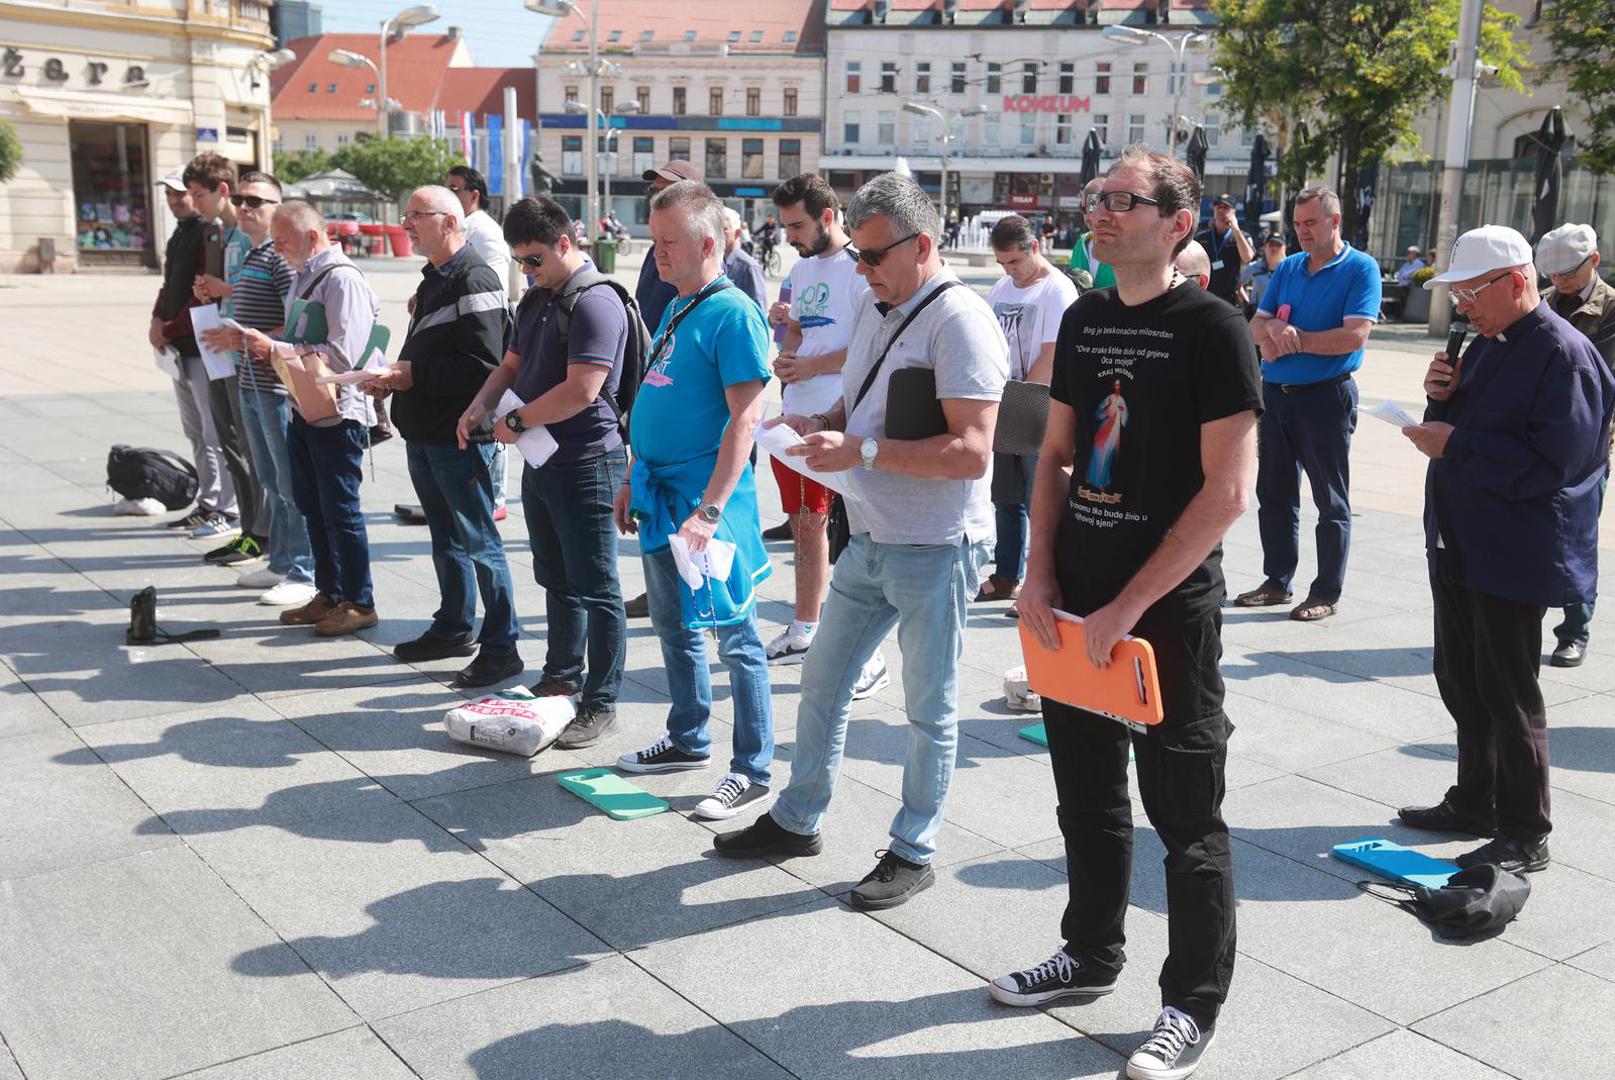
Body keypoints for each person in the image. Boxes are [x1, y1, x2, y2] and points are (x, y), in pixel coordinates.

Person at [994, 146, 1260, 1080]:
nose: (1099, 213)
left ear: (1176, 224)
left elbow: (1227, 495)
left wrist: (1132, 605)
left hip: (1166, 613)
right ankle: (1089, 951)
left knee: (1186, 816)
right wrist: (1036, 575)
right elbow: (1056, 458)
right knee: (1086, 797)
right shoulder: (1085, 318)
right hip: (1072, 603)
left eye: (1122, 201)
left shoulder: (1212, 328)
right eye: (1094, 199)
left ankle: (1190, 1003)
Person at [715, 172, 1009, 913]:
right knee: (822, 681)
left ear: (924, 245)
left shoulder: (960, 322)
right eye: (859, 255)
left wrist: (864, 453)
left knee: (928, 709)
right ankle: (797, 817)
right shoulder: (881, 304)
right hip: (871, 532)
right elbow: (867, 398)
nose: (862, 269)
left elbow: (974, 451)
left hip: (936, 543)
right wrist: (822, 427)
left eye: (874, 256)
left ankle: (913, 848)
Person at [1397, 224, 1613, 874]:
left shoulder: (1563, 353)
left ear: (1514, 281)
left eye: (1469, 292)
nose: (1461, 305)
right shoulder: (1491, 340)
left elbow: (1558, 462)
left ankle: (1524, 830)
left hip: (1514, 548)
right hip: (1464, 535)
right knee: (1461, 678)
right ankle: (1474, 799)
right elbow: (1479, 423)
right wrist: (1443, 396)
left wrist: (1455, 443)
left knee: (1508, 691)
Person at [613, 179, 778, 823]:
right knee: (674, 626)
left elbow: (745, 420)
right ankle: (688, 738)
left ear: (708, 244)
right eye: (654, 241)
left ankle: (753, 769)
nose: (657, 254)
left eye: (669, 243)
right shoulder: (679, 305)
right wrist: (631, 476)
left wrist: (709, 510)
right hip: (658, 493)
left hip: (705, 504)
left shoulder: (733, 312)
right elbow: (651, 400)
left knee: (736, 637)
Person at [458, 196, 632, 749]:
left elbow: (583, 390)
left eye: (534, 259)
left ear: (565, 242)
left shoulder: (595, 302)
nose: (527, 271)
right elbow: (510, 365)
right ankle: (561, 677)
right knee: (555, 577)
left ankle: (600, 701)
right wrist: (480, 406)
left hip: (587, 461)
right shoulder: (538, 297)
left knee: (597, 586)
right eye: (519, 262)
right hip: (541, 456)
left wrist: (513, 418)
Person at [367, 187, 519, 688]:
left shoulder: (474, 275)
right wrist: (394, 378)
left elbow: (487, 367)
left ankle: (502, 646)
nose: (406, 224)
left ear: (450, 221)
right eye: (405, 214)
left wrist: (413, 375)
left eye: (417, 216)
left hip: (459, 435)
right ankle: (454, 625)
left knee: (479, 541)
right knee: (445, 538)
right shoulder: (436, 275)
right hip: (427, 432)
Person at [762, 173, 888, 699]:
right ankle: (805, 626)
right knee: (804, 527)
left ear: (828, 217)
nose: (790, 235)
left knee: (850, 537)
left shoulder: (860, 267)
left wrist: (810, 366)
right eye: (786, 226)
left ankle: (868, 653)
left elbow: (867, 344)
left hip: (841, 422)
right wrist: (787, 337)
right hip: (795, 417)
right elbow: (802, 330)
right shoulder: (802, 265)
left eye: (798, 225)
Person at [233, 201, 382, 637]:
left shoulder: (341, 278)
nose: (276, 249)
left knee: (341, 510)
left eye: (282, 241)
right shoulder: (304, 275)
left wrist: (275, 349)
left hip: (338, 412)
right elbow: (302, 339)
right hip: (306, 406)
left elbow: (346, 356)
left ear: (312, 237)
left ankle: (360, 600)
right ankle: (330, 593)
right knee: (312, 505)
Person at [1236, 186, 1381, 622]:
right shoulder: (1291, 266)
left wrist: (1293, 340)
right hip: (1277, 396)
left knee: (1330, 499)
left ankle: (1326, 591)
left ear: (1335, 222)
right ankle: (1277, 581)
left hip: (1326, 397)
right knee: (1274, 493)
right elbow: (1258, 325)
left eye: (1310, 224)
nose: (1301, 232)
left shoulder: (1361, 268)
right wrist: (1273, 335)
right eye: (1298, 224)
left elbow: (1355, 335)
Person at [193, 171, 316, 608]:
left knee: (289, 480)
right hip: (251, 381)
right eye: (242, 200)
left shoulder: (282, 259)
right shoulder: (256, 253)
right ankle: (282, 560)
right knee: (270, 479)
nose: (245, 208)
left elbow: (299, 324)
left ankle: (304, 569)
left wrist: (243, 339)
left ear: (278, 209)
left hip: (276, 386)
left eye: (256, 202)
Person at [981, 214, 1077, 602]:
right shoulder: (1003, 286)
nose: (1008, 270)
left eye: (1014, 262)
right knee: (1004, 495)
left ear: (1034, 247)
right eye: (1002, 263)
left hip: (1036, 402)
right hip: (1004, 399)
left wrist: (1014, 401)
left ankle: (1044, 583)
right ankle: (1007, 574)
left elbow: (1052, 355)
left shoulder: (1057, 290)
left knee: (1040, 499)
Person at [626, 158, 705, 620]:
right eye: (652, 185)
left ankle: (687, 592)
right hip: (653, 374)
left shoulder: (715, 255)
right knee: (651, 500)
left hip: (689, 405)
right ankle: (660, 589)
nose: (654, 190)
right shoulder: (655, 252)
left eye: (665, 185)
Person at [1535, 223, 1615, 667]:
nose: (1559, 282)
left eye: (1568, 273)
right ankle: (1525, 617)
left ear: (1594, 261)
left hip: (1588, 444)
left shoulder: (1612, 308)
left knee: (1578, 537)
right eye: (1553, 273)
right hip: (1539, 435)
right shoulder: (1544, 302)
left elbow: (1595, 374)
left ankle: (1574, 630)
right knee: (1535, 530)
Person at [185, 152, 262, 549]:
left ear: (223, 190)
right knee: (231, 442)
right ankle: (248, 528)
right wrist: (211, 292)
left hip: (243, 350)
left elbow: (262, 289)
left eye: (199, 194)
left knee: (248, 447)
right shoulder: (219, 233)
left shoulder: (248, 236)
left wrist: (222, 289)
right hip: (221, 345)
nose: (194, 203)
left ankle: (256, 532)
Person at [150, 173, 234, 535]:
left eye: (182, 194)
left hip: (201, 344)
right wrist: (157, 317)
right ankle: (206, 500)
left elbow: (204, 294)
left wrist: (168, 326)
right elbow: (171, 284)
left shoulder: (208, 233)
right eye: (169, 194)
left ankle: (225, 507)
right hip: (179, 347)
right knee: (195, 430)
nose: (175, 201)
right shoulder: (181, 232)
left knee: (214, 431)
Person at [444, 165, 514, 521]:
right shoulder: (468, 227)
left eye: (454, 189)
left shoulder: (482, 230)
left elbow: (493, 286)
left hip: (485, 327)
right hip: (469, 323)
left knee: (489, 412)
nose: (449, 195)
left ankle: (495, 496)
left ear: (474, 195)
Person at [1194, 194, 1254, 307]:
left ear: (1234, 212)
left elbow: (1247, 258)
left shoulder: (1241, 236)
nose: (1221, 210)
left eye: (1226, 208)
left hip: (1230, 300)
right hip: (1205, 297)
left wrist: (1235, 228)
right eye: (1218, 207)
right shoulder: (1202, 237)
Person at [1067, 177, 1117, 291]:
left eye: (1093, 208)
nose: (1090, 217)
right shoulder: (1082, 243)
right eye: (1084, 209)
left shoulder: (1125, 243)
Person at [720, 207, 768, 310]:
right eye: (715, 228)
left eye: (724, 229)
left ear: (737, 233)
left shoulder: (750, 267)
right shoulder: (713, 263)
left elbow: (759, 309)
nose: (717, 234)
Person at [1238, 233, 1287, 316]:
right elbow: (1237, 283)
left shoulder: (1290, 269)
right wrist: (1246, 303)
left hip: (1282, 316)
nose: (1274, 248)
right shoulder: (1254, 267)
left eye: (1278, 245)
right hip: (1257, 314)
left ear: (1284, 248)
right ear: (1265, 247)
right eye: (1271, 245)